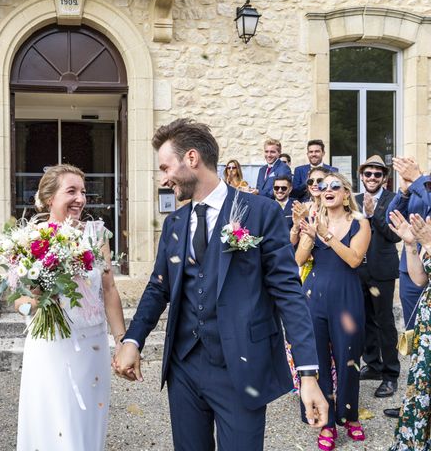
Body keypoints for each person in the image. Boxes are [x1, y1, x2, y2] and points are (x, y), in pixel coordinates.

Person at [114, 119, 327, 451]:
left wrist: (308, 375)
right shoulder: (174, 223)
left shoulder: (261, 212)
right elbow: (159, 287)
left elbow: (288, 293)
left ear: (193, 159)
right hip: (183, 367)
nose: (163, 177)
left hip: (240, 366)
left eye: (166, 167)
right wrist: (132, 339)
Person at [15, 164, 126, 451]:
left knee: (87, 417)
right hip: (52, 342)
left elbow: (109, 288)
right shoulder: (32, 237)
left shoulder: (97, 234)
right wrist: (31, 302)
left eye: (83, 192)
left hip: (92, 343)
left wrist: (121, 341)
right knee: (57, 419)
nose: (80, 198)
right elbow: (22, 296)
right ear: (50, 198)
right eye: (71, 191)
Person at [296, 173, 370, 449]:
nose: (328, 189)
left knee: (348, 358)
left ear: (346, 193)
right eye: (323, 186)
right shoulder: (315, 221)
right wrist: (307, 234)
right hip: (314, 297)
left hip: (347, 296)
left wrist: (326, 235)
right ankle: (326, 423)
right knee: (319, 363)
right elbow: (298, 259)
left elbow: (354, 259)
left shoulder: (360, 222)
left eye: (334, 186)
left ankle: (349, 415)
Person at [384, 156, 431, 418]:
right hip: (413, 271)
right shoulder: (416, 187)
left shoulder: (425, 185)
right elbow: (392, 217)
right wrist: (403, 189)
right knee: (414, 337)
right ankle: (413, 402)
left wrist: (419, 178)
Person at [354, 156, 400, 399]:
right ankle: (372, 364)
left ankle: (390, 374)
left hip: (382, 271)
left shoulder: (394, 200)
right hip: (357, 269)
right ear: (361, 176)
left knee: (384, 322)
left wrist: (373, 216)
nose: (372, 178)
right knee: (364, 320)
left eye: (377, 175)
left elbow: (395, 236)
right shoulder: (355, 200)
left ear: (384, 178)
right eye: (368, 174)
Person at [387, 210, 431, 450]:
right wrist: (411, 245)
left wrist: (429, 244)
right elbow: (420, 279)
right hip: (428, 327)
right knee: (424, 385)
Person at [289, 166, 330, 247]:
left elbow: (331, 242)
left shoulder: (332, 207)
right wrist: (296, 226)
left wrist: (307, 218)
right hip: (303, 256)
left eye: (320, 181)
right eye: (311, 181)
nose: (314, 184)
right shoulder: (305, 206)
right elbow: (292, 243)